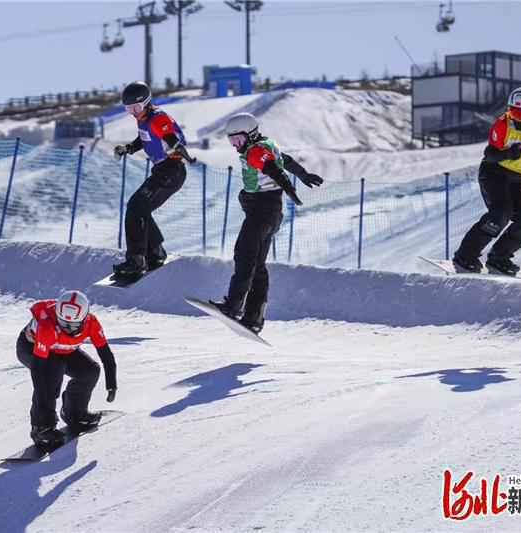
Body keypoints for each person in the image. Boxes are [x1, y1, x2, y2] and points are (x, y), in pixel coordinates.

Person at [212, 112, 324, 332]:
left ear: (251, 134)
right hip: (272, 212)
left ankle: (234, 306)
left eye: (239, 140)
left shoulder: (255, 151)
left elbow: (272, 169)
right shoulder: (266, 145)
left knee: (244, 255)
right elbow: (285, 161)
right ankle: (254, 317)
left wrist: (290, 188)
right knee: (258, 266)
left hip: (261, 212)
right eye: (232, 141)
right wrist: (304, 175)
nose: (236, 145)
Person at [453, 86, 521, 275]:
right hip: (494, 174)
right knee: (499, 215)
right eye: (512, 110)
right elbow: (489, 155)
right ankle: (465, 255)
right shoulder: (503, 125)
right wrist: (508, 153)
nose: (515, 116)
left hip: (517, 179)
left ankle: (499, 258)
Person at [112, 81, 194, 280]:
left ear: (147, 103)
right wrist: (129, 148)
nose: (133, 112)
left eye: (137, 107)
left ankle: (136, 260)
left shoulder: (157, 117)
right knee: (140, 208)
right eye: (129, 109)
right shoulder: (144, 118)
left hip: (171, 169)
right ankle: (155, 253)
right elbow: (145, 137)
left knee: (135, 207)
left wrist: (183, 152)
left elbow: (169, 135)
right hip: (164, 170)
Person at [16, 290, 117, 448]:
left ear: (84, 318)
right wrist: (45, 414)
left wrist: (112, 384)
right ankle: (41, 429)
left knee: (90, 371)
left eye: (74, 325)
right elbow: (38, 369)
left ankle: (74, 414)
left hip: (63, 350)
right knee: (51, 374)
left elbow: (106, 354)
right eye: (63, 324)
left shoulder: (92, 323)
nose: (68, 329)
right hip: (30, 348)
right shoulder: (47, 327)